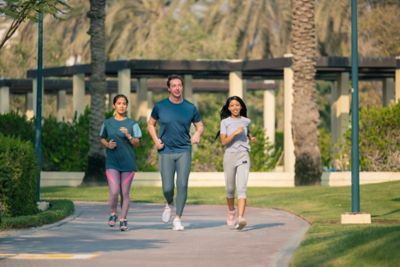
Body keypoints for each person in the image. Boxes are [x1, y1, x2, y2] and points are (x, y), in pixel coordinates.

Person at [147, 74, 204, 231]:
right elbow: (150, 124)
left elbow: (200, 126)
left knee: (183, 184)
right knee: (167, 188)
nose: (177, 88)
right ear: (169, 88)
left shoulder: (190, 107)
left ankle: (178, 218)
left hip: (184, 150)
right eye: (174, 85)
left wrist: (197, 134)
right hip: (165, 150)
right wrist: (156, 140)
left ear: (182, 87)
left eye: (179, 85)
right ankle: (169, 203)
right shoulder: (160, 106)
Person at [100, 94, 142, 231]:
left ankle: (123, 219)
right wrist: (107, 145)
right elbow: (102, 138)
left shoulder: (132, 124)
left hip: (128, 164)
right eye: (119, 103)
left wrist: (129, 136)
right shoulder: (107, 123)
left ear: (127, 106)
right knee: (114, 191)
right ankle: (113, 213)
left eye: (124, 103)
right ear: (114, 105)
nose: (122, 106)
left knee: (125, 193)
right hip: (112, 162)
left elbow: (137, 143)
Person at [217, 96, 256, 230]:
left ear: (241, 107)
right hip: (229, 156)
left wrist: (251, 137)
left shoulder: (246, 121)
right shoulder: (225, 122)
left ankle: (240, 218)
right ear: (228, 108)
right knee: (230, 189)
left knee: (242, 188)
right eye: (232, 105)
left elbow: (247, 132)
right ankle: (231, 212)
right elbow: (223, 142)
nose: (235, 108)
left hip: (243, 155)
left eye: (237, 105)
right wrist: (234, 133)